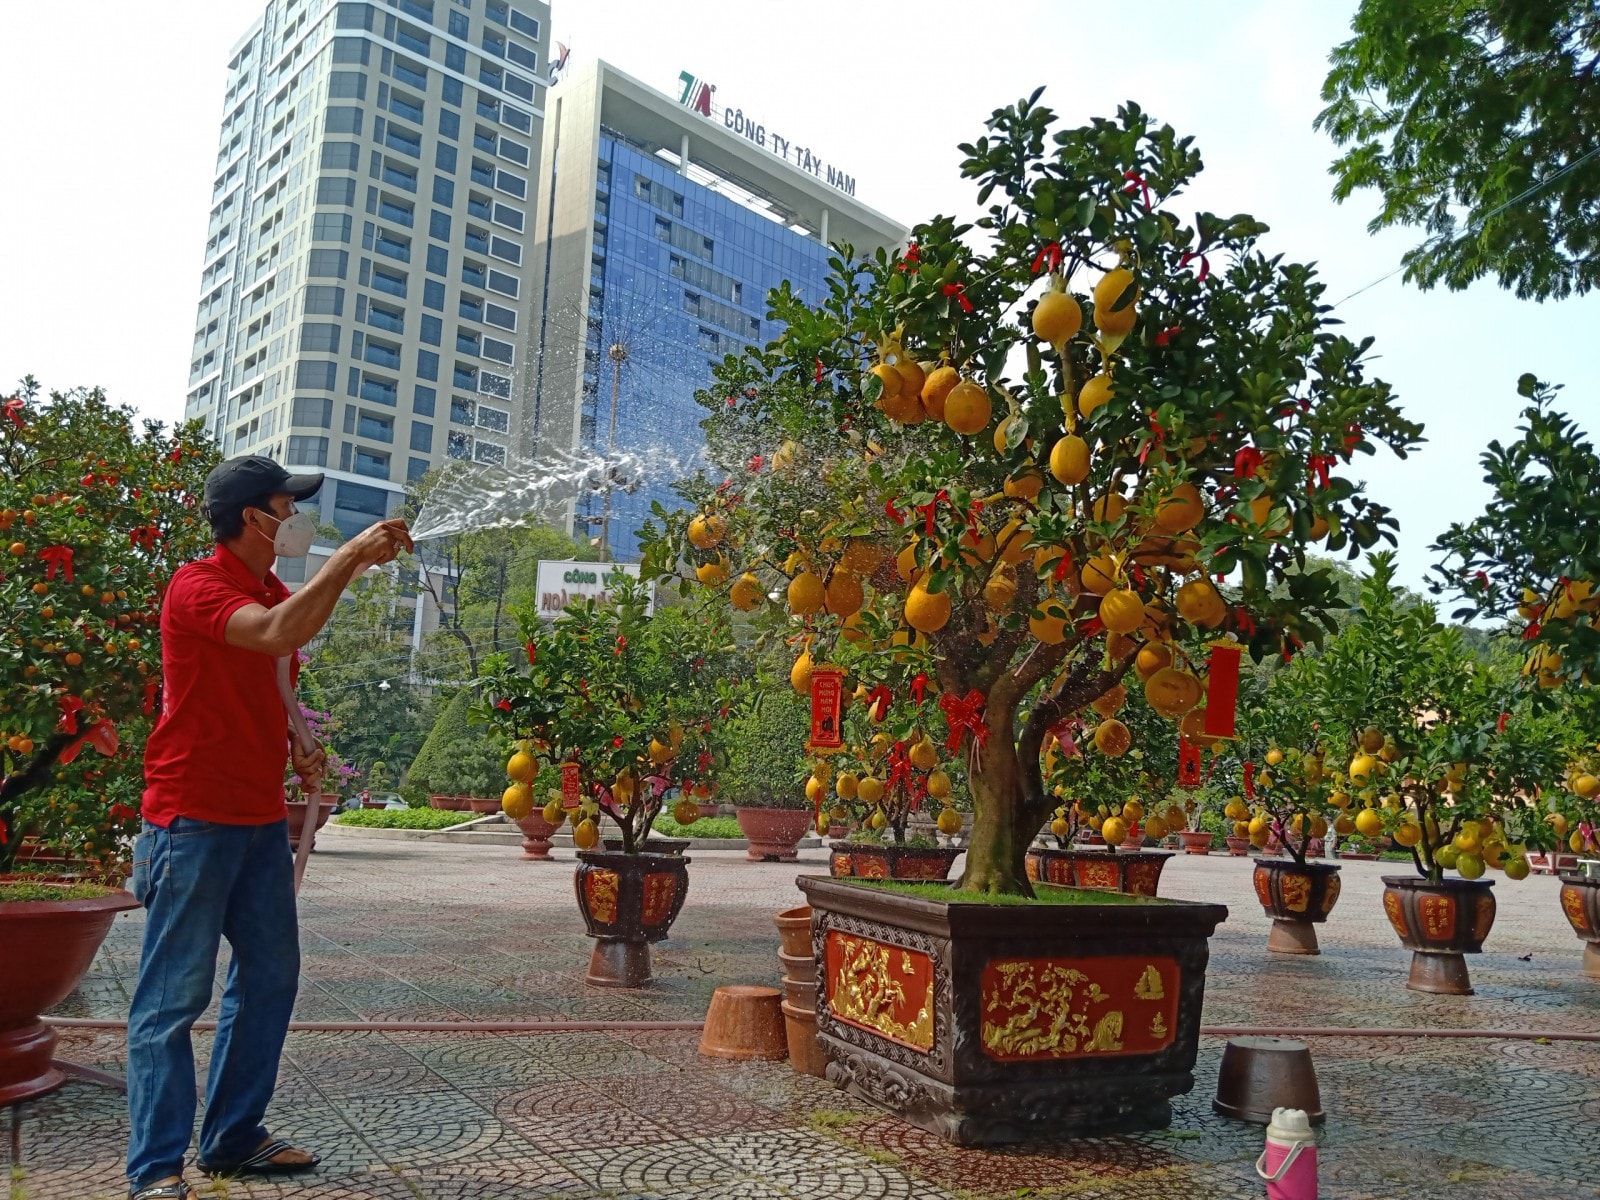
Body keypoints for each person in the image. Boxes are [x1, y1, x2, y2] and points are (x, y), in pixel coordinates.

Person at [125, 456, 412, 1200]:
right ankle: (154, 1170)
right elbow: (275, 632)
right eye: (289, 504)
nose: (297, 516)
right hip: (191, 821)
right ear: (255, 518)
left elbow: (278, 661)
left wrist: (298, 740)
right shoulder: (198, 586)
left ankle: (232, 1137)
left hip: (255, 821)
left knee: (271, 979)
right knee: (172, 1001)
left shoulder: (269, 585)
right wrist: (348, 557)